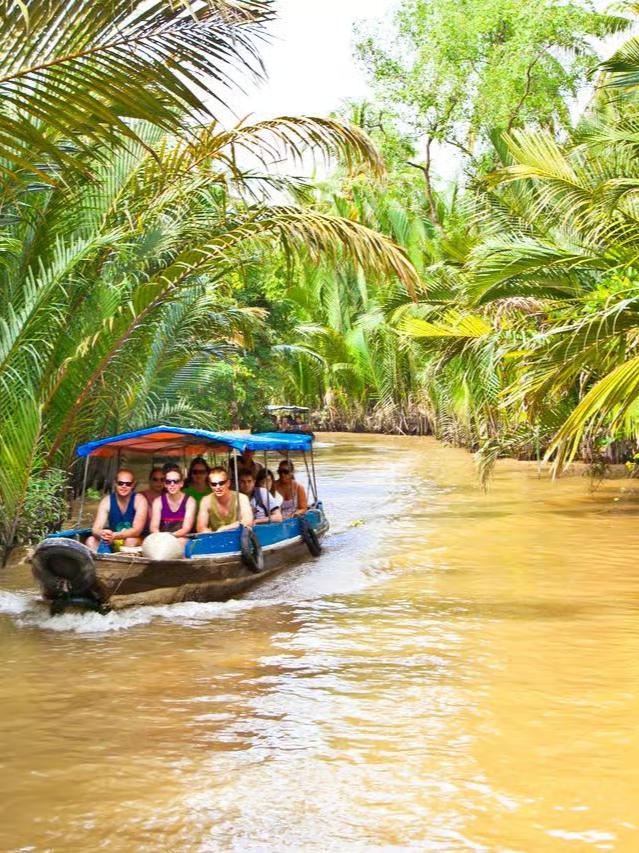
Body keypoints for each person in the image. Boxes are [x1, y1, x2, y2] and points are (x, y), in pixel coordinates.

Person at [86, 469, 148, 551]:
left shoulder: (139, 500)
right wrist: (102, 534)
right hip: (112, 540)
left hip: (132, 541)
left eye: (128, 484)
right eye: (120, 483)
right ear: (115, 484)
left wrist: (115, 535)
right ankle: (102, 562)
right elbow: (96, 528)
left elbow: (137, 531)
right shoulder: (107, 501)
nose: (124, 486)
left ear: (133, 485)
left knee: (130, 540)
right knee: (91, 540)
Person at [197, 466, 253, 533]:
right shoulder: (206, 501)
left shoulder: (241, 498)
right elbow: (201, 528)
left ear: (228, 483)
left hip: (239, 536)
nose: (218, 487)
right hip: (216, 538)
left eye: (221, 483)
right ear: (210, 485)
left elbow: (248, 521)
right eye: (214, 484)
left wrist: (225, 528)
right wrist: (215, 535)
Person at [149, 468, 196, 548]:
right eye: (168, 481)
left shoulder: (190, 501)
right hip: (162, 539)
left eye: (176, 481)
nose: (172, 484)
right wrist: (162, 537)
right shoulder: (158, 501)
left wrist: (170, 536)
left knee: (181, 541)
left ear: (181, 484)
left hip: (182, 539)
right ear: (165, 484)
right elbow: (153, 527)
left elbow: (186, 528)